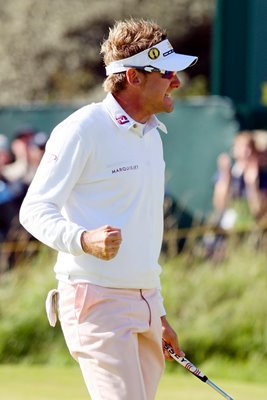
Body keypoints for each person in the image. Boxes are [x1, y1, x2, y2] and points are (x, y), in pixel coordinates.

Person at [19, 18, 198, 400]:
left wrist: (158, 311)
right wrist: (82, 239)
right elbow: (34, 209)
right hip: (95, 300)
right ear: (133, 76)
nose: (176, 83)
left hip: (145, 301)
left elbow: (143, 234)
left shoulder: (152, 137)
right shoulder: (83, 129)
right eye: (167, 73)